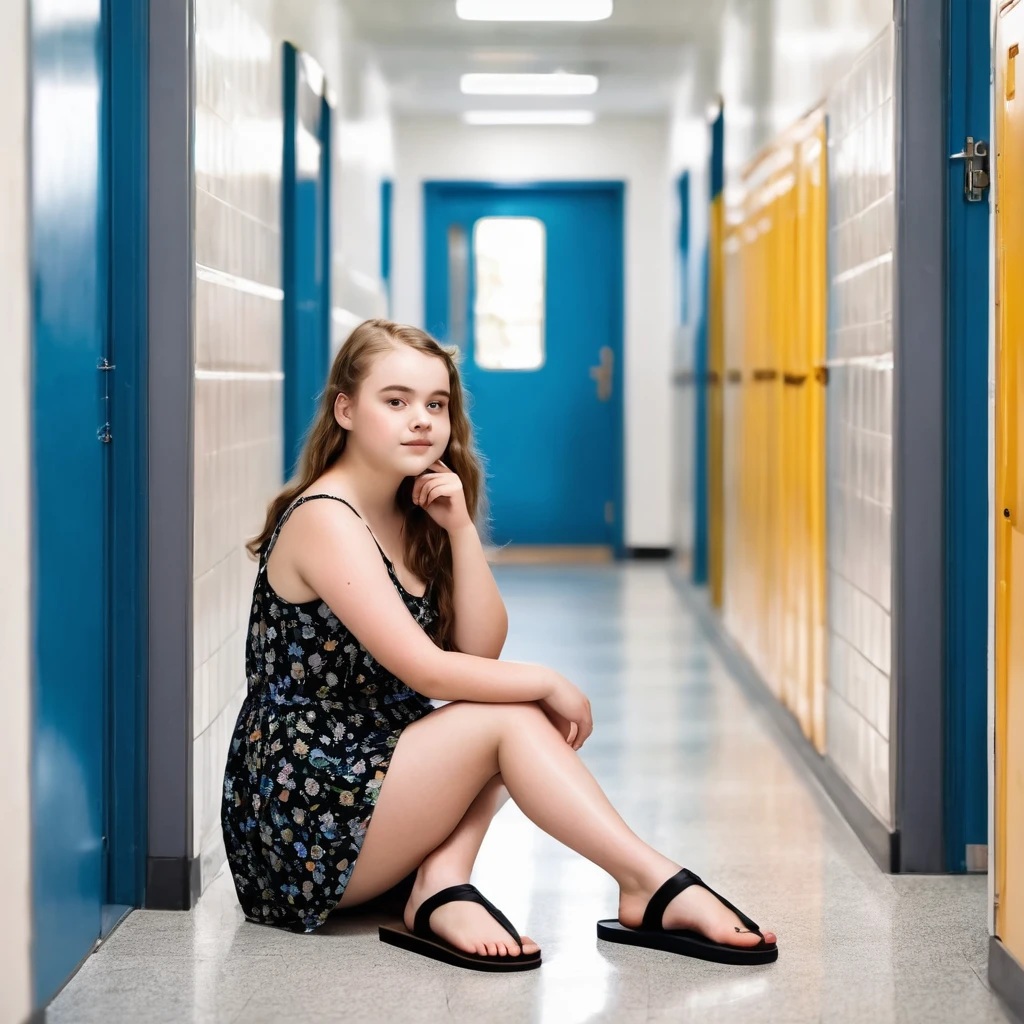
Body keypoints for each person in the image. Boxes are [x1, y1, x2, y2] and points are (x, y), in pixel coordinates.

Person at [221, 318, 777, 972]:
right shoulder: (326, 517)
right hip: (302, 808)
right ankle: (646, 880)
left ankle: (441, 883)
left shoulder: (408, 507)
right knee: (515, 715)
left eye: (436, 404)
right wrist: (544, 680)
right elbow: (428, 669)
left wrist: (458, 527)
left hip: (371, 767)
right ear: (345, 409)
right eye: (395, 401)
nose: (421, 421)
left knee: (511, 713)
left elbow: (478, 651)